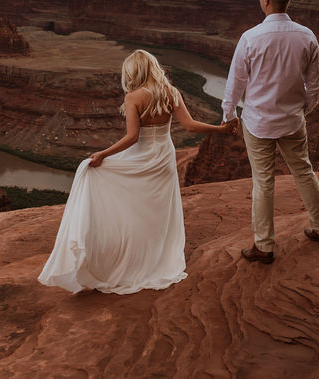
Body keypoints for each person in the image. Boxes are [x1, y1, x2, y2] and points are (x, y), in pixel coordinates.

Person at [38, 49, 237, 294]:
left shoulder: (133, 97)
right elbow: (190, 126)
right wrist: (221, 130)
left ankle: (128, 259)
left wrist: (103, 155)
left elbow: (132, 137)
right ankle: (156, 259)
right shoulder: (171, 92)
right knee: (158, 213)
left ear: (133, 72)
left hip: (142, 157)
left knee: (132, 209)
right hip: (164, 158)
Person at [222, 0, 319, 264]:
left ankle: (265, 246)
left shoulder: (250, 38)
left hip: (259, 123)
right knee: (304, 172)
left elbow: (236, 81)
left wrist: (229, 114)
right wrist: (303, 110)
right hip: (292, 121)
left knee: (263, 183)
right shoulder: (307, 36)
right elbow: (315, 84)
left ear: (266, 0)